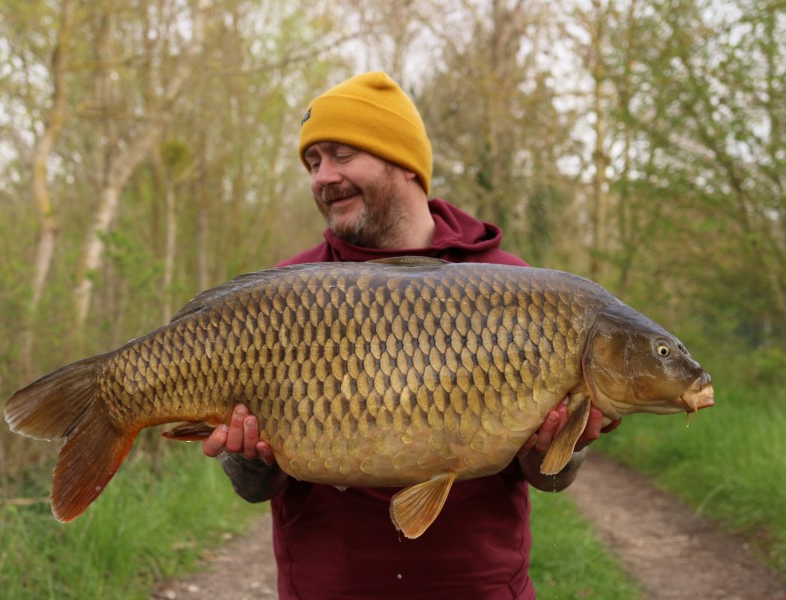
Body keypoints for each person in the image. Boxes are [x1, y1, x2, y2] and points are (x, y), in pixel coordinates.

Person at [202, 71, 620, 599]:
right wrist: (246, 456)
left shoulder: (515, 284)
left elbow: (552, 479)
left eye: (342, 155)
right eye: (314, 162)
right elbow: (254, 489)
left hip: (480, 589)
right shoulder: (286, 295)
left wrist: (558, 448)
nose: (322, 177)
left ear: (402, 161)